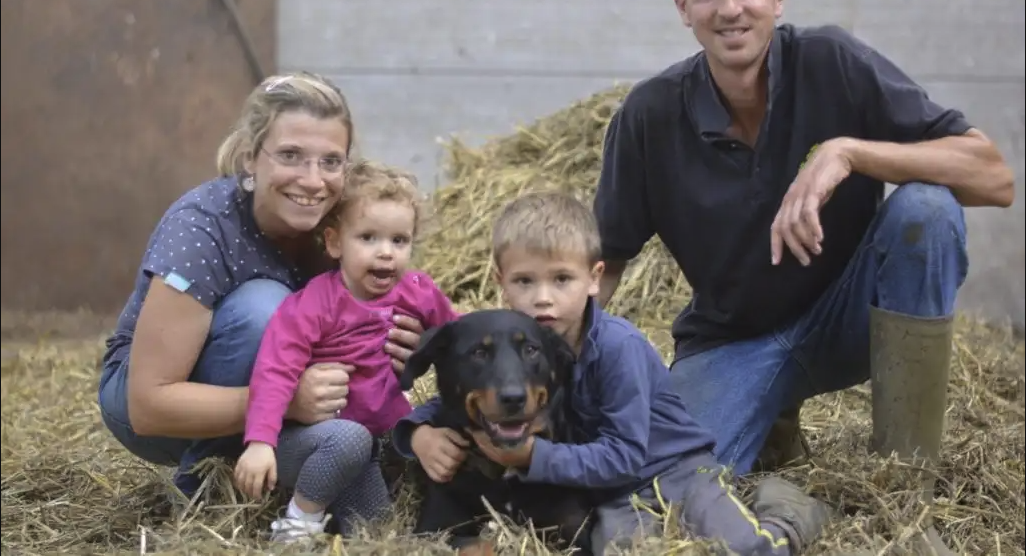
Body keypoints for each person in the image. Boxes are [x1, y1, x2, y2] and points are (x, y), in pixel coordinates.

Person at [591, 0, 1015, 554]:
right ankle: (786, 483)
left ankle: (910, 483)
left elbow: (993, 177)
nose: (730, 7)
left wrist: (849, 152)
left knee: (928, 208)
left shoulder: (833, 61)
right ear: (682, 5)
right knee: (657, 502)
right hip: (731, 344)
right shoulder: (649, 115)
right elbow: (606, 264)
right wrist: (553, 370)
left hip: (851, 318)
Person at [393, 191, 833, 555]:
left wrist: (532, 458)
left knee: (743, 549)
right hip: (611, 491)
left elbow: (625, 455)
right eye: (525, 282)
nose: (543, 299)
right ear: (501, 281)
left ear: (594, 278)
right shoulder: (532, 343)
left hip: (671, 469)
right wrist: (418, 433)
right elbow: (461, 391)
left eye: (561, 279)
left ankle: (789, 512)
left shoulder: (617, 347)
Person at [96, 72, 430, 509]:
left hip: (283, 394)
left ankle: (291, 474)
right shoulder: (202, 228)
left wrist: (414, 345)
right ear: (251, 157)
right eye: (291, 155)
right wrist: (287, 403)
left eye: (331, 161)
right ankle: (203, 486)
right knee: (266, 309)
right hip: (155, 404)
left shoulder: (345, 221)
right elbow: (149, 405)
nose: (313, 181)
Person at [232, 158, 461, 543]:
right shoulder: (314, 304)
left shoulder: (417, 291)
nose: (386, 252)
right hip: (311, 442)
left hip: (372, 444)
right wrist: (260, 442)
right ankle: (298, 523)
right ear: (335, 242)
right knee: (351, 439)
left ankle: (339, 511)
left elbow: (456, 334)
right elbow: (275, 370)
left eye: (399, 240)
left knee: (376, 533)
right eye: (368, 238)